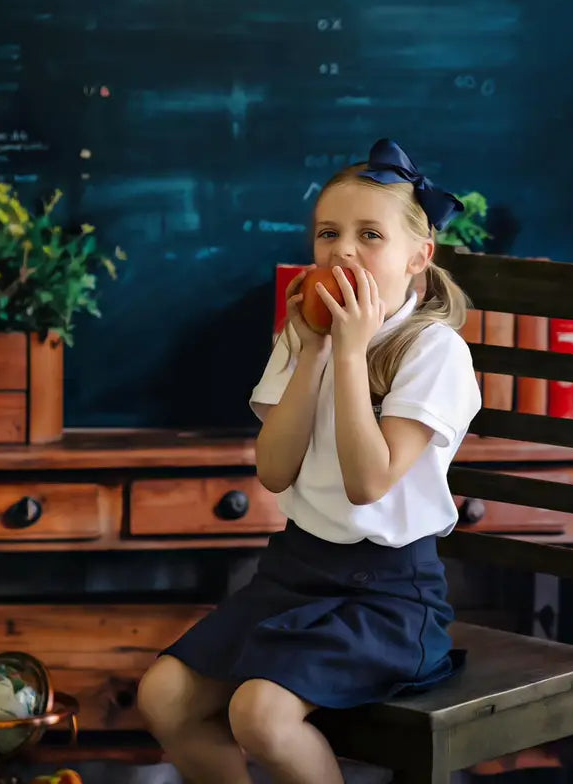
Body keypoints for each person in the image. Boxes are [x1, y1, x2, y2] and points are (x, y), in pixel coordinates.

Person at [136, 138, 482, 784]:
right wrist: (316, 353)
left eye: (369, 235)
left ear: (418, 258)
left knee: (260, 716)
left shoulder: (433, 353)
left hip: (388, 599)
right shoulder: (306, 333)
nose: (342, 251)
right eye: (328, 233)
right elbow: (274, 470)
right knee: (162, 694)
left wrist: (350, 357)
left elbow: (368, 481)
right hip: (296, 572)